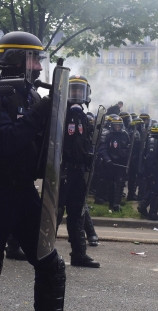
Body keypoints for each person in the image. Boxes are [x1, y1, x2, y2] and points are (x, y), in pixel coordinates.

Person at [0, 31, 82, 311]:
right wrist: (41, 113)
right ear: (17, 59)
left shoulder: (28, 93)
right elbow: (5, 141)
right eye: (33, 59)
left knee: (51, 263)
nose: (38, 67)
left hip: (23, 190)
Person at [56, 75, 100, 268]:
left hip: (78, 171)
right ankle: (42, 248)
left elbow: (87, 143)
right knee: (54, 213)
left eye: (79, 91)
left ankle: (79, 254)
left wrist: (89, 155)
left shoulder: (86, 118)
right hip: (63, 171)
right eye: (72, 90)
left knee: (77, 214)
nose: (76, 95)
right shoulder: (59, 115)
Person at [97, 115, 131, 212]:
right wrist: (107, 159)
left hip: (121, 163)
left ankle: (117, 204)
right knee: (110, 184)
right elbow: (102, 149)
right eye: (115, 125)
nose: (117, 127)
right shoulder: (108, 135)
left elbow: (129, 148)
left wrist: (126, 153)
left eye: (119, 126)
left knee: (120, 183)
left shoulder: (125, 134)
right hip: (110, 164)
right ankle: (111, 204)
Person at [137, 123, 158, 221]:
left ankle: (143, 206)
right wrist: (152, 171)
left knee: (152, 190)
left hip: (151, 170)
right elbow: (150, 158)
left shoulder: (152, 140)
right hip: (153, 170)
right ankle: (152, 213)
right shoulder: (153, 141)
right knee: (156, 192)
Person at [126, 117, 143, 201]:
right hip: (134, 159)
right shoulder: (136, 133)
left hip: (131, 158)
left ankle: (131, 194)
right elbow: (137, 147)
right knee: (133, 178)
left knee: (132, 178)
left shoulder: (130, 131)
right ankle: (131, 194)